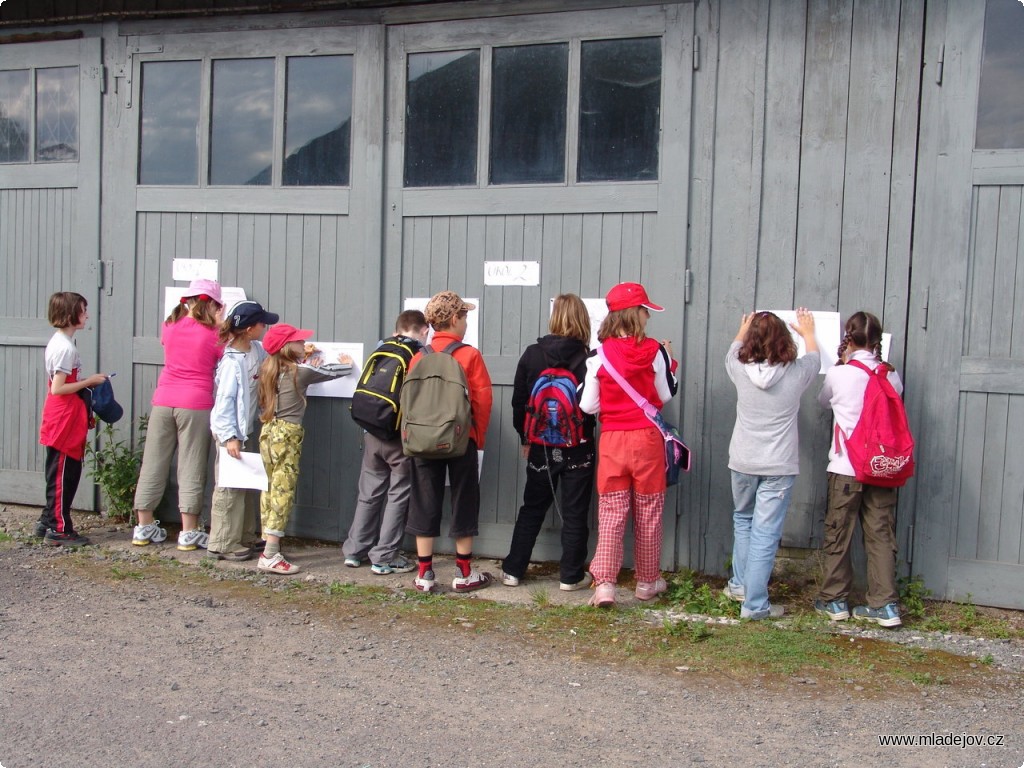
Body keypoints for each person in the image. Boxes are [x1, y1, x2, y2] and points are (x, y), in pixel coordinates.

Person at [580, 282, 678, 607]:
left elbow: (587, 406)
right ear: (635, 313)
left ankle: (605, 585)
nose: (648, 315)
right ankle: (647, 582)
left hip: (613, 440)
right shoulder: (656, 351)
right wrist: (671, 364)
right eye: (645, 309)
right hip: (647, 439)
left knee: (611, 512)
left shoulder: (598, 355)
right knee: (649, 511)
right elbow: (664, 395)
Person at [724, 308, 819, 619]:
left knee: (743, 520)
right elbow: (814, 356)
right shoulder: (799, 371)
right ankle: (755, 606)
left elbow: (734, 349)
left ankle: (739, 586)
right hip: (778, 466)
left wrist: (744, 327)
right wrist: (808, 331)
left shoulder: (738, 368)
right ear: (784, 340)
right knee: (765, 533)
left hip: (742, 461)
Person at [814, 311, 904, 628]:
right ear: (878, 341)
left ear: (848, 338)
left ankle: (834, 599)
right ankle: (885, 605)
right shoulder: (890, 375)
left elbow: (824, 402)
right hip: (882, 467)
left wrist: (841, 362)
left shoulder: (841, 374)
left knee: (839, 532)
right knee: (880, 534)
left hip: (847, 467)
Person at [501, 294, 596, 591]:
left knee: (532, 507)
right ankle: (570, 576)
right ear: (582, 320)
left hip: (540, 446)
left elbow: (519, 402)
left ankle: (513, 570)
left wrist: (525, 437)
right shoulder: (588, 358)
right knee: (575, 512)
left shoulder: (531, 354)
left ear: (554, 317)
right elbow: (592, 406)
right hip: (578, 448)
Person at [405, 291, 493, 592]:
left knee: (423, 501)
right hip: (460, 439)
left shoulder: (418, 357)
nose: (467, 321)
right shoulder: (469, 355)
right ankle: (463, 572)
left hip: (421, 440)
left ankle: (425, 574)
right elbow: (482, 401)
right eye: (465, 316)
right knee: (463, 500)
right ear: (454, 319)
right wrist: (477, 439)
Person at [131, 279, 224, 550]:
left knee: (153, 463)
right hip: (195, 403)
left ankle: (143, 526)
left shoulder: (170, 325)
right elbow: (221, 354)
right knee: (191, 465)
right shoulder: (214, 333)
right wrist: (220, 324)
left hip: (163, 400)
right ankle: (189, 531)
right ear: (214, 304)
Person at [256, 324, 352, 574]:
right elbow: (339, 370)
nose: (304, 345)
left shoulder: (268, 369)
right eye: (299, 342)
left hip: (268, 432)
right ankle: (271, 554)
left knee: (269, 489)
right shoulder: (300, 373)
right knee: (283, 490)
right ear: (287, 348)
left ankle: (268, 545)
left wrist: (305, 357)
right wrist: (345, 361)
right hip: (288, 434)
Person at [342, 310, 429, 574]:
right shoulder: (419, 355)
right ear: (423, 330)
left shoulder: (382, 347)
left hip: (371, 431)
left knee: (368, 493)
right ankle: (384, 556)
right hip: (397, 436)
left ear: (398, 328)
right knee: (398, 494)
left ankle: (354, 551)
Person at [36, 292, 110, 546]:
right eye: (83, 310)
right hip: (64, 416)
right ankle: (59, 528)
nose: (87, 314)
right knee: (63, 473)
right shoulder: (65, 347)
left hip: (65, 414)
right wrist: (89, 381)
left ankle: (47, 519)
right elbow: (58, 387)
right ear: (70, 314)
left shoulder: (62, 342)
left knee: (60, 469)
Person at [208, 300, 278, 561]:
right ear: (249, 329)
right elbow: (224, 402)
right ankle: (222, 542)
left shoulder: (256, 350)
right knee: (229, 488)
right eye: (262, 323)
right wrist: (229, 437)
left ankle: (244, 534)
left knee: (247, 484)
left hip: (245, 431)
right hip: (231, 435)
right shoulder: (231, 363)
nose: (265, 327)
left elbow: (269, 362)